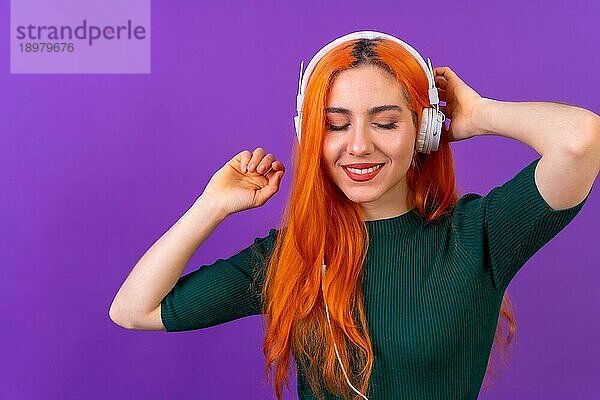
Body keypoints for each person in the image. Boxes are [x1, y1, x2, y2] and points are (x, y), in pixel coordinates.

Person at [109, 31, 598, 400]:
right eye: (336, 125)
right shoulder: (293, 256)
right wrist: (212, 205)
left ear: (423, 132)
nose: (359, 145)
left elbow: (580, 141)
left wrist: (481, 115)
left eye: (385, 122)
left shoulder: (480, 234)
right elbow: (134, 310)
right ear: (312, 137)